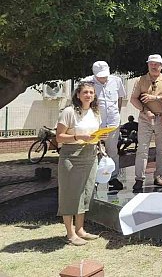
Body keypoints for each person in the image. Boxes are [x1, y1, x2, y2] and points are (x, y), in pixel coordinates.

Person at [56, 81, 106, 246]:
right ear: (78, 95)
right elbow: (59, 137)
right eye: (85, 92)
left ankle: (80, 230)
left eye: (91, 92)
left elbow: (93, 135)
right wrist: (78, 137)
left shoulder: (95, 112)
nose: (89, 95)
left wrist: (100, 138)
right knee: (71, 193)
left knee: (85, 192)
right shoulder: (69, 112)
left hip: (90, 155)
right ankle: (70, 234)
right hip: (72, 156)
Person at [83, 61, 126, 191]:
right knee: (94, 151)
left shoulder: (116, 81)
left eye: (105, 75)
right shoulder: (86, 83)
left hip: (112, 123)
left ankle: (113, 178)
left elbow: (119, 99)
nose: (103, 78)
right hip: (95, 125)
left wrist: (116, 114)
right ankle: (93, 180)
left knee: (113, 151)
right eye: (100, 76)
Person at [130, 54, 162, 193]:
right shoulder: (141, 80)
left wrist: (155, 98)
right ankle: (139, 178)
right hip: (145, 118)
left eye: (157, 64)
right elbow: (133, 99)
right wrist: (144, 110)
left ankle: (159, 175)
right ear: (148, 65)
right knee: (142, 149)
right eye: (151, 64)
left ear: (161, 66)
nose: (154, 66)